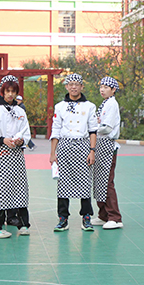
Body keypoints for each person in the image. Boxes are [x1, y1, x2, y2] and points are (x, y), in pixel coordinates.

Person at [0, 75, 32, 238]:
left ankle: (23, 224)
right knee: (0, 189)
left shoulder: (20, 111)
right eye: (7, 91)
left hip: (16, 156)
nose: (10, 94)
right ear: (2, 92)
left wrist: (21, 141)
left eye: (13, 91)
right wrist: (2, 140)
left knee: (20, 187)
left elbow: (26, 132)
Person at [49, 73, 97, 232]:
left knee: (85, 182)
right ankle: (63, 218)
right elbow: (56, 129)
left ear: (82, 86)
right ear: (66, 86)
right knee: (63, 183)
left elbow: (93, 130)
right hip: (64, 146)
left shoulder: (90, 106)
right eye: (71, 84)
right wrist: (52, 153)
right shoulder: (59, 106)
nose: (74, 87)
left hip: (83, 146)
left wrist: (92, 151)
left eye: (77, 84)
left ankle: (86, 217)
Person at [90, 77, 124, 229]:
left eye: (105, 87)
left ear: (113, 89)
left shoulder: (111, 104)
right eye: (101, 87)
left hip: (107, 145)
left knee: (107, 181)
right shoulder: (105, 103)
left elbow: (107, 127)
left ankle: (115, 217)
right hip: (100, 145)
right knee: (99, 181)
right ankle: (103, 215)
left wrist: (92, 128)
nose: (102, 90)